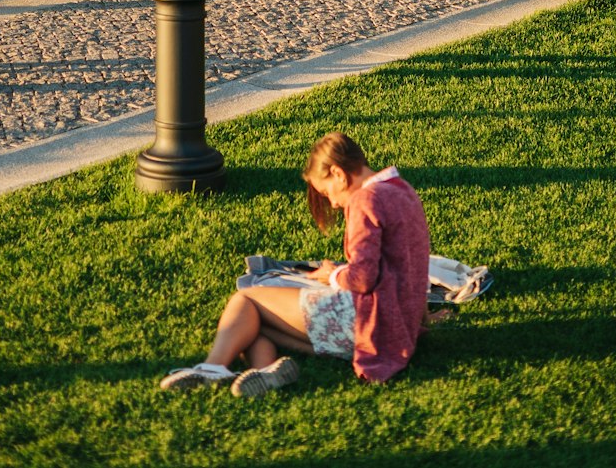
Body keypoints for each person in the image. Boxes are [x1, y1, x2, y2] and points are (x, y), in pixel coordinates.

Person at [159, 131, 431, 396]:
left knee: (246, 301)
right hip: (398, 326)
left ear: (337, 173)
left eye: (326, 193)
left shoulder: (365, 200)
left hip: (365, 321)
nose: (333, 204)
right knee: (254, 325)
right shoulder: (401, 189)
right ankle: (266, 372)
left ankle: (213, 368)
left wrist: (334, 275)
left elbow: (362, 278)